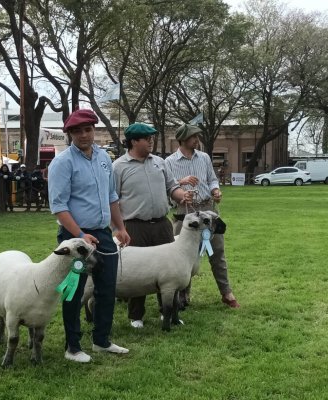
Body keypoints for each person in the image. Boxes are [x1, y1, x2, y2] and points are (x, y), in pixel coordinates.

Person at [48, 109, 130, 363]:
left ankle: (101, 341)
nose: (84, 135)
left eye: (88, 129)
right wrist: (81, 235)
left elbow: (111, 197)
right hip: (75, 239)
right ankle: (73, 347)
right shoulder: (62, 163)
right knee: (74, 291)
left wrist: (121, 228)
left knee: (107, 289)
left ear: (95, 130)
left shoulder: (104, 157)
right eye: (77, 131)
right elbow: (59, 207)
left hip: (103, 234)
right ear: (70, 134)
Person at [113, 122, 193, 329]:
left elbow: (172, 187)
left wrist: (181, 195)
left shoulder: (159, 162)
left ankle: (168, 311)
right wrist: (117, 228)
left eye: (151, 138)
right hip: (134, 226)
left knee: (171, 270)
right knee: (137, 271)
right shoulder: (118, 167)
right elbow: (111, 199)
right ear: (133, 141)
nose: (151, 141)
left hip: (161, 224)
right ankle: (136, 315)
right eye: (146, 138)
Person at [165, 124, 240, 308]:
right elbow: (167, 187)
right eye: (193, 137)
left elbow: (212, 178)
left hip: (208, 210)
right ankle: (183, 295)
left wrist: (215, 190)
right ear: (182, 140)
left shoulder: (204, 157)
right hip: (184, 212)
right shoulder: (169, 162)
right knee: (182, 256)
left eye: (197, 137)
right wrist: (181, 183)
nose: (197, 140)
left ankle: (226, 293)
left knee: (218, 253)